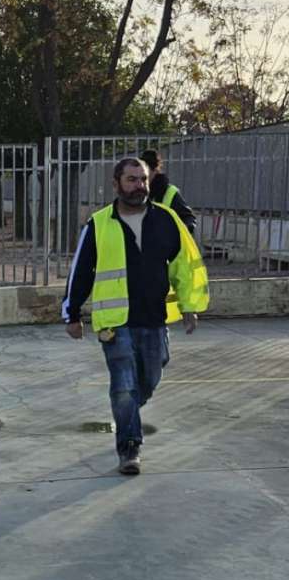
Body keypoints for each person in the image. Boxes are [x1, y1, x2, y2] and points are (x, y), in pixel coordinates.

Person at [62, 157, 209, 475]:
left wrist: (190, 306)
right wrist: (71, 313)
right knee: (124, 386)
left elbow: (186, 266)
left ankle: (126, 412)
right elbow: (80, 272)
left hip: (154, 317)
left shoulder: (167, 219)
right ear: (116, 184)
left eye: (142, 179)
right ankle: (129, 447)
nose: (138, 185)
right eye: (131, 180)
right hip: (115, 322)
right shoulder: (99, 223)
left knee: (151, 377)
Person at [139, 149, 196, 233]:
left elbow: (188, 219)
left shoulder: (170, 192)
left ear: (155, 170)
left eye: (146, 171)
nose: (142, 176)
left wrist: (175, 235)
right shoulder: (137, 191)